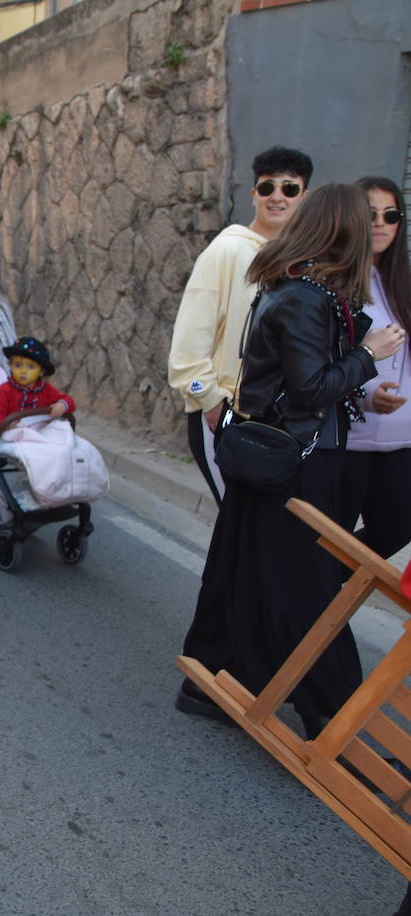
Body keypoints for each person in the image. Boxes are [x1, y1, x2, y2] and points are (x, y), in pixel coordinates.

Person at [176, 183, 405, 738]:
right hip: (298, 462)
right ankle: (334, 718)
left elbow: (297, 381)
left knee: (244, 570)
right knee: (305, 588)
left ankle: (209, 677)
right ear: (344, 233)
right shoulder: (305, 296)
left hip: (280, 458)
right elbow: (308, 389)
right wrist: (367, 357)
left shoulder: (298, 289)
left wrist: (359, 388)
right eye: (362, 223)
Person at [168, 146, 313, 504]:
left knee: (260, 536)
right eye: (267, 188)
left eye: (289, 188)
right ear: (254, 195)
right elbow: (186, 354)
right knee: (237, 528)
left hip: (281, 423)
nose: (277, 197)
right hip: (230, 417)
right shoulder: (226, 251)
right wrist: (213, 403)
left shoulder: (305, 262)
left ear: (304, 196)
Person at [338, 176, 411, 558]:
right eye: (370, 214)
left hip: (400, 441)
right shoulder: (335, 281)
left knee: (397, 527)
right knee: (331, 538)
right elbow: (324, 361)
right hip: (348, 440)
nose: (381, 223)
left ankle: (320, 594)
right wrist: (367, 395)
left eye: (391, 214)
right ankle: (317, 604)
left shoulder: (401, 282)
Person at [0, 337, 75, 426]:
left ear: (41, 372)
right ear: (10, 365)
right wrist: (6, 427)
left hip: (41, 431)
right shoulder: (4, 390)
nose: (23, 371)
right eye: (18, 365)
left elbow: (69, 401)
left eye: (31, 367)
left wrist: (62, 405)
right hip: (14, 433)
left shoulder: (46, 390)